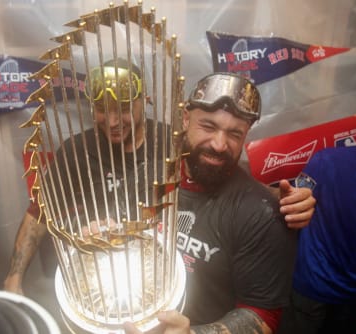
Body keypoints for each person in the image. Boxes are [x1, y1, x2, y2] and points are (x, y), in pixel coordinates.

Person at [3, 63, 314, 298]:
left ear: (145, 100)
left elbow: (224, 173)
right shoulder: (76, 150)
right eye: (102, 109)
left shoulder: (174, 141)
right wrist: (14, 277)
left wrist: (277, 199)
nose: (112, 121)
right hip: (105, 274)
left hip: (165, 276)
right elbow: (41, 211)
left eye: (123, 109)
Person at [124, 72, 299, 334]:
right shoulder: (149, 175)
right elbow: (132, 239)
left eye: (234, 134)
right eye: (208, 127)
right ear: (185, 118)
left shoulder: (260, 213)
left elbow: (263, 314)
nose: (219, 144)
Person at [277, 144, 356, 334]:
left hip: (354, 298)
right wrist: (290, 202)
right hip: (310, 287)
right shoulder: (327, 161)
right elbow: (296, 199)